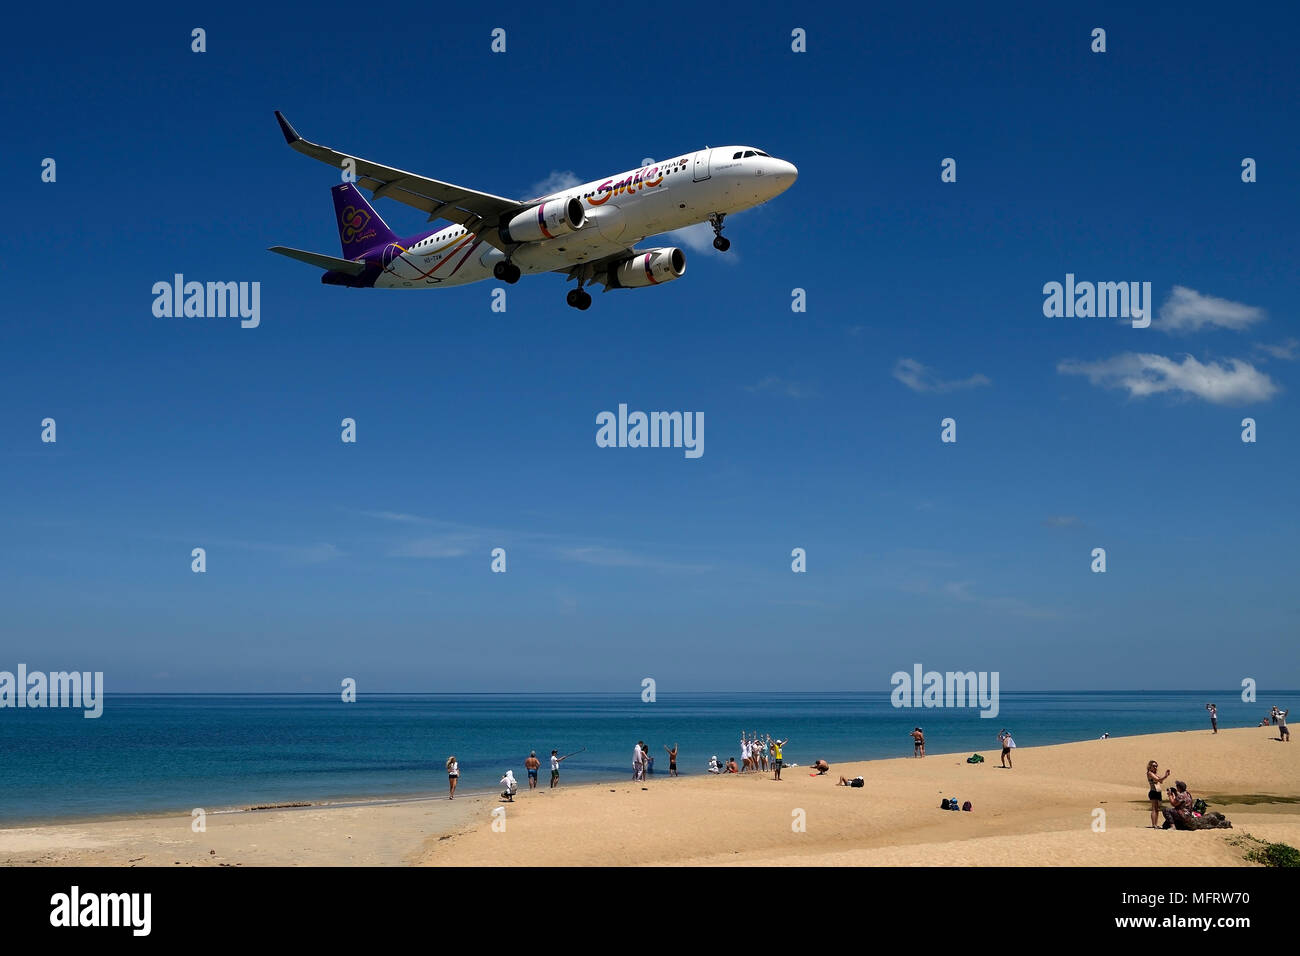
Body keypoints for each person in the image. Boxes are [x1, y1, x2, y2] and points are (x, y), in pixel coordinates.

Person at [1146, 760, 1171, 828]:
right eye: (1154, 766)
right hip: (1153, 792)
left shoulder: (1155, 774)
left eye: (1156, 766)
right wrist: (1165, 776)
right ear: (1150, 766)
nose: (1155, 767)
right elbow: (1158, 780)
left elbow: (1161, 781)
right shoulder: (1149, 773)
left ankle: (1156, 824)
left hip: (1158, 792)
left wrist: (1165, 776)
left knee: (1157, 809)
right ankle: (1154, 824)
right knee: (1154, 809)